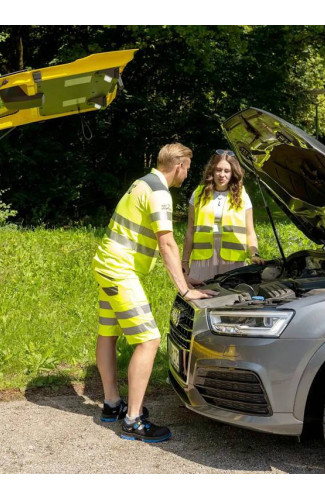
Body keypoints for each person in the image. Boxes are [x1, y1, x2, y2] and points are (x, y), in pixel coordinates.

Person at [92, 143, 216, 442]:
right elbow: (166, 243)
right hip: (120, 270)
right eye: (188, 168)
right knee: (149, 341)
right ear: (179, 166)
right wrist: (185, 289)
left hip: (107, 266)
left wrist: (185, 277)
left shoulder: (142, 182)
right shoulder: (160, 192)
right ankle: (133, 420)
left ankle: (112, 404)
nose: (187, 174)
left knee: (108, 333)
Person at [182, 149, 264, 285]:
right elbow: (190, 230)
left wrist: (254, 254)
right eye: (218, 170)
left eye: (227, 171)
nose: (222, 175)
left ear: (233, 173)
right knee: (201, 292)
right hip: (203, 259)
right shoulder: (198, 194)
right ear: (212, 171)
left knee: (232, 294)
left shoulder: (242, 196)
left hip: (233, 260)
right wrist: (185, 261)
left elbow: (250, 231)